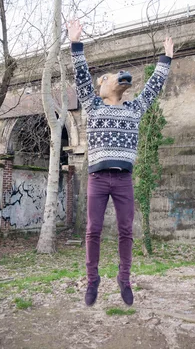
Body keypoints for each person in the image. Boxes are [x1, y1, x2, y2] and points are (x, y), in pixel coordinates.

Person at [67, 19, 174, 306]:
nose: (115, 77)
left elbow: (152, 88)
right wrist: (76, 44)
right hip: (98, 179)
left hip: (124, 179)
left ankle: (124, 280)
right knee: (93, 230)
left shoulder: (135, 108)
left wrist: (166, 58)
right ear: (101, 87)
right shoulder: (94, 105)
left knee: (127, 231)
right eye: (109, 76)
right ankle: (92, 281)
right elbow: (80, 77)